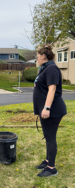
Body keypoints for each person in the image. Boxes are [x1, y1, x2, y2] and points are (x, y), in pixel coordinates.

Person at [33, 45, 67, 177]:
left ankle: (51, 168)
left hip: (53, 109)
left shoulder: (52, 68)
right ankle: (48, 161)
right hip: (46, 109)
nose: (37, 58)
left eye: (37, 56)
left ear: (43, 56)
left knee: (50, 137)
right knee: (48, 136)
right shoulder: (45, 68)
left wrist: (46, 108)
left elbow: (52, 89)